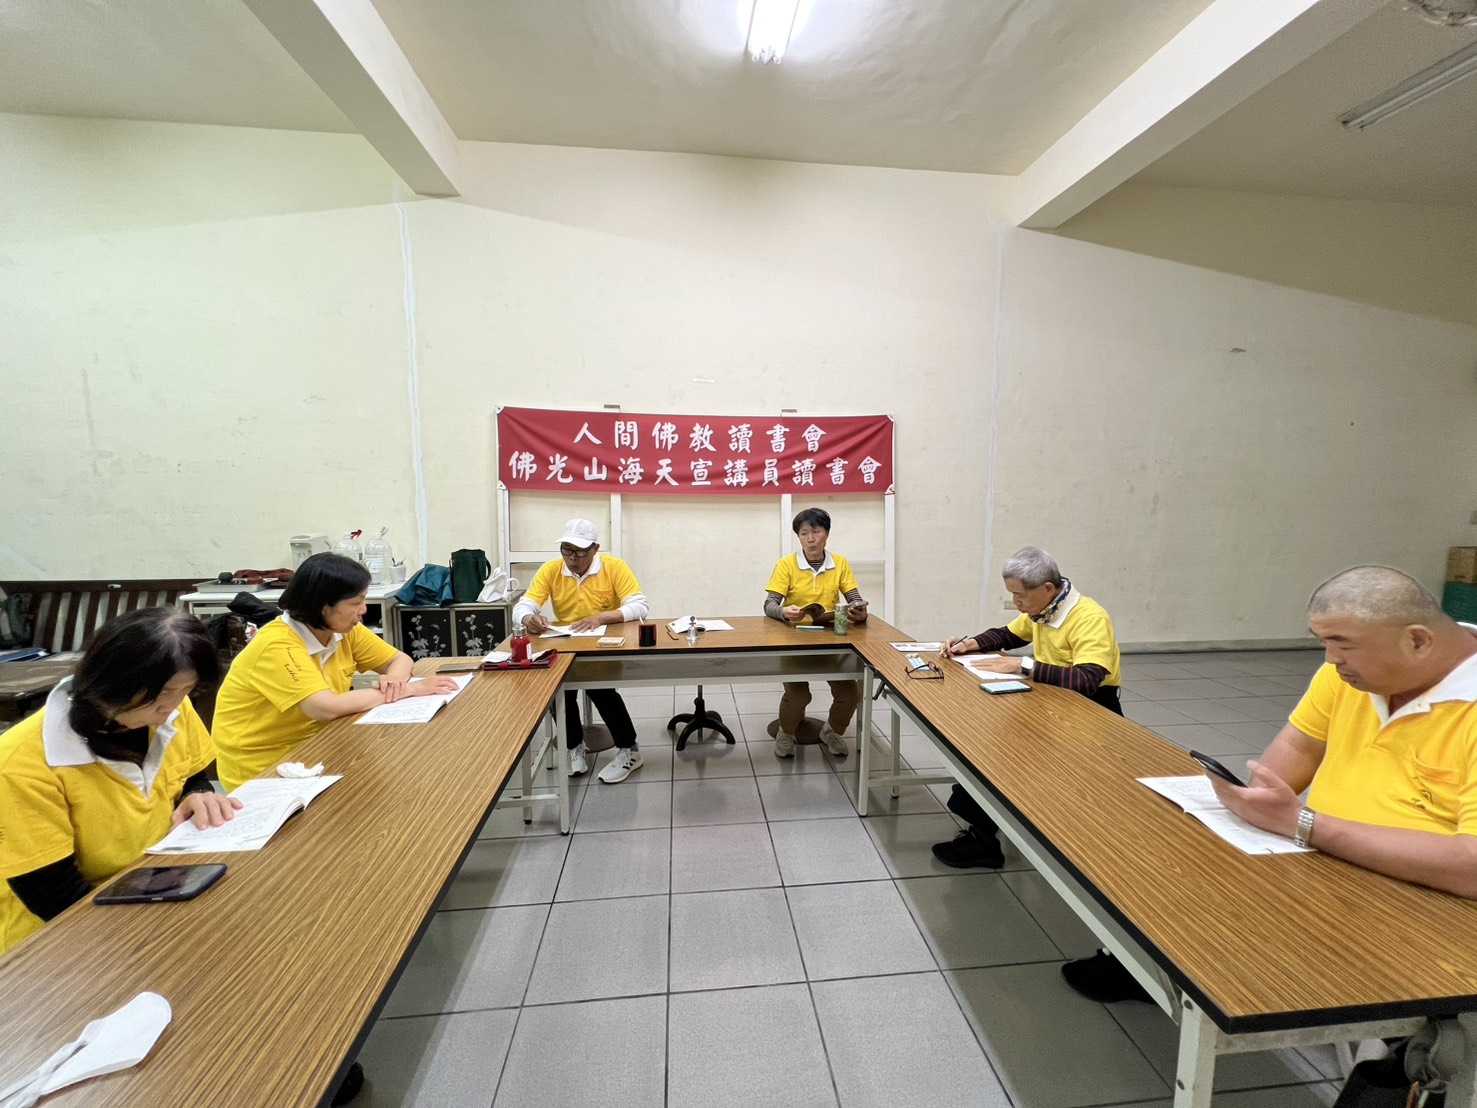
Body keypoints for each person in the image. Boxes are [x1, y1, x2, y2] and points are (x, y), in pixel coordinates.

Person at [1212, 565, 1477, 897]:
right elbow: (1299, 747)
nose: (1332, 659)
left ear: (1418, 640)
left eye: (1344, 645)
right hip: (1326, 870)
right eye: (1323, 641)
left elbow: (1471, 869)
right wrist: (1258, 805)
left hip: (1430, 901)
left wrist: (1303, 824)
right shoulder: (1349, 678)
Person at [0, 608, 239, 954]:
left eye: (186, 690)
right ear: (112, 682)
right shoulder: (20, 763)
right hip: (59, 939)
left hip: (154, 885)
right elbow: (53, 897)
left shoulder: (170, 711)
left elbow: (191, 775)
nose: (173, 706)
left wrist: (198, 794)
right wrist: (151, 940)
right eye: (164, 693)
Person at [212, 552, 458, 791]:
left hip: (320, 745)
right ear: (323, 606)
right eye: (356, 602)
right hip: (265, 769)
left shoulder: (343, 630)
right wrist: (409, 690)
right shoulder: (277, 645)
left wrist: (395, 682)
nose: (363, 609)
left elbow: (399, 659)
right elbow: (324, 707)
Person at [512, 518, 651, 784]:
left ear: (595, 549)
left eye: (580, 552)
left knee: (600, 688)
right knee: (557, 689)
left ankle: (629, 750)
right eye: (567, 550)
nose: (572, 558)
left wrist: (601, 617)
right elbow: (524, 605)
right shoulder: (552, 569)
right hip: (566, 643)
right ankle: (574, 746)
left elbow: (640, 606)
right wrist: (528, 618)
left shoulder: (613, 567)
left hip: (603, 645)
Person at [763, 507, 869, 759]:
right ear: (798, 537)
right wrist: (783, 611)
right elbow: (769, 605)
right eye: (803, 533)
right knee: (798, 694)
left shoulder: (840, 563)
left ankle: (832, 732)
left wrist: (860, 612)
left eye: (816, 531)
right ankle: (786, 733)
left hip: (830, 641)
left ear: (827, 534)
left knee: (849, 693)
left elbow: (855, 599)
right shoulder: (786, 564)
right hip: (793, 641)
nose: (810, 538)